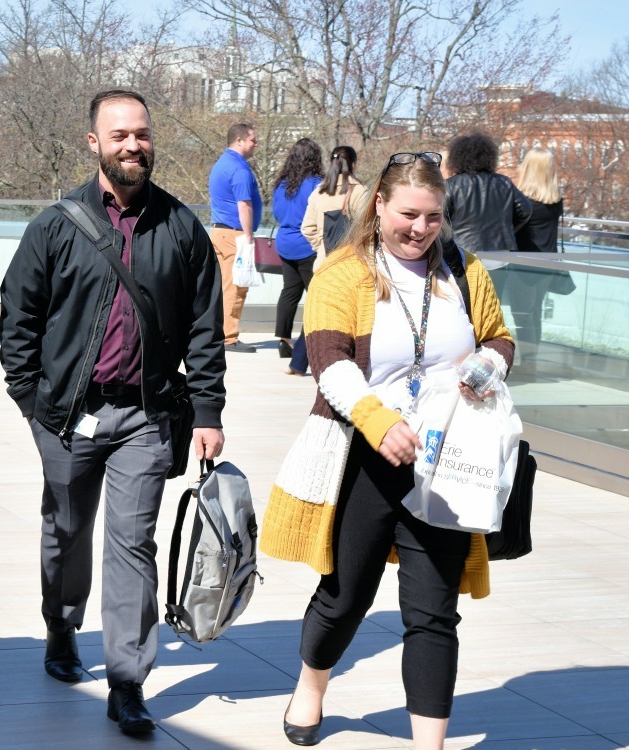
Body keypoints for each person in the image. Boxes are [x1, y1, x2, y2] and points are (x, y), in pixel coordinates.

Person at [260, 151, 514, 749]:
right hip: (363, 458)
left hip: (445, 461)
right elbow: (329, 361)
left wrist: (486, 364)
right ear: (379, 204)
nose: (420, 228)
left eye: (432, 217)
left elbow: (500, 338)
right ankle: (312, 684)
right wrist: (377, 421)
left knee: (432, 614)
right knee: (345, 597)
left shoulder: (461, 269)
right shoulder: (345, 272)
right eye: (408, 214)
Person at [0, 89, 226, 735]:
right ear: (94, 143)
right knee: (66, 532)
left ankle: (127, 680)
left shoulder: (182, 228)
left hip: (146, 420)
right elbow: (19, 315)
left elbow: (205, 330)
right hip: (67, 417)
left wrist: (206, 409)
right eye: (119, 134)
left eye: (142, 134)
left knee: (133, 545)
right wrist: (29, 400)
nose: (134, 144)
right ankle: (61, 627)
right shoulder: (55, 225)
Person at [443, 131, 532, 295]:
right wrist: (506, 229)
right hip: (499, 256)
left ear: (457, 157)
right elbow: (525, 211)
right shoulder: (504, 182)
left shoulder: (451, 185)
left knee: (464, 304)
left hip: (463, 254)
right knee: (494, 304)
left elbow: (440, 219)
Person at [271, 138, 323, 374]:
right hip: (307, 246)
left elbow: (277, 213)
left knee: (289, 292)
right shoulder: (316, 184)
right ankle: (304, 348)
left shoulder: (281, 184)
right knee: (316, 298)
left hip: (285, 243)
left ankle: (283, 338)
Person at [209, 122, 262, 352]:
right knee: (236, 286)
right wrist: (248, 237)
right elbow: (244, 205)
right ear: (239, 140)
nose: (256, 144)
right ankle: (228, 337)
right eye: (253, 140)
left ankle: (218, 333)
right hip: (234, 235)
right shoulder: (239, 169)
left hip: (220, 232)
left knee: (222, 286)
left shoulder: (222, 163)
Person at [511, 147, 564, 373]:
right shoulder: (555, 201)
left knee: (522, 315)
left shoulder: (523, 202)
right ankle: (530, 361)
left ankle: (528, 365)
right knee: (534, 313)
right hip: (548, 264)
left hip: (524, 265)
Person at [301, 145, 370, 258]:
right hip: (350, 261)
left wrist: (321, 248)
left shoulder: (319, 192)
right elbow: (367, 228)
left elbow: (307, 228)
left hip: (324, 263)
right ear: (353, 164)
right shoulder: (360, 191)